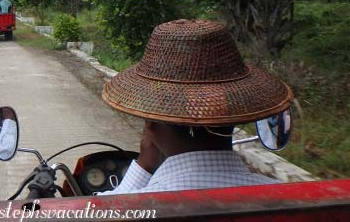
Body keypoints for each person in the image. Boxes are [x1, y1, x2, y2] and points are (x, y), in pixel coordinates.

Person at [99, 19, 293, 195]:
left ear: (150, 124)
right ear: (233, 116)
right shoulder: (287, 198)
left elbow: (106, 208)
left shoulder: (121, 209)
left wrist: (144, 165)